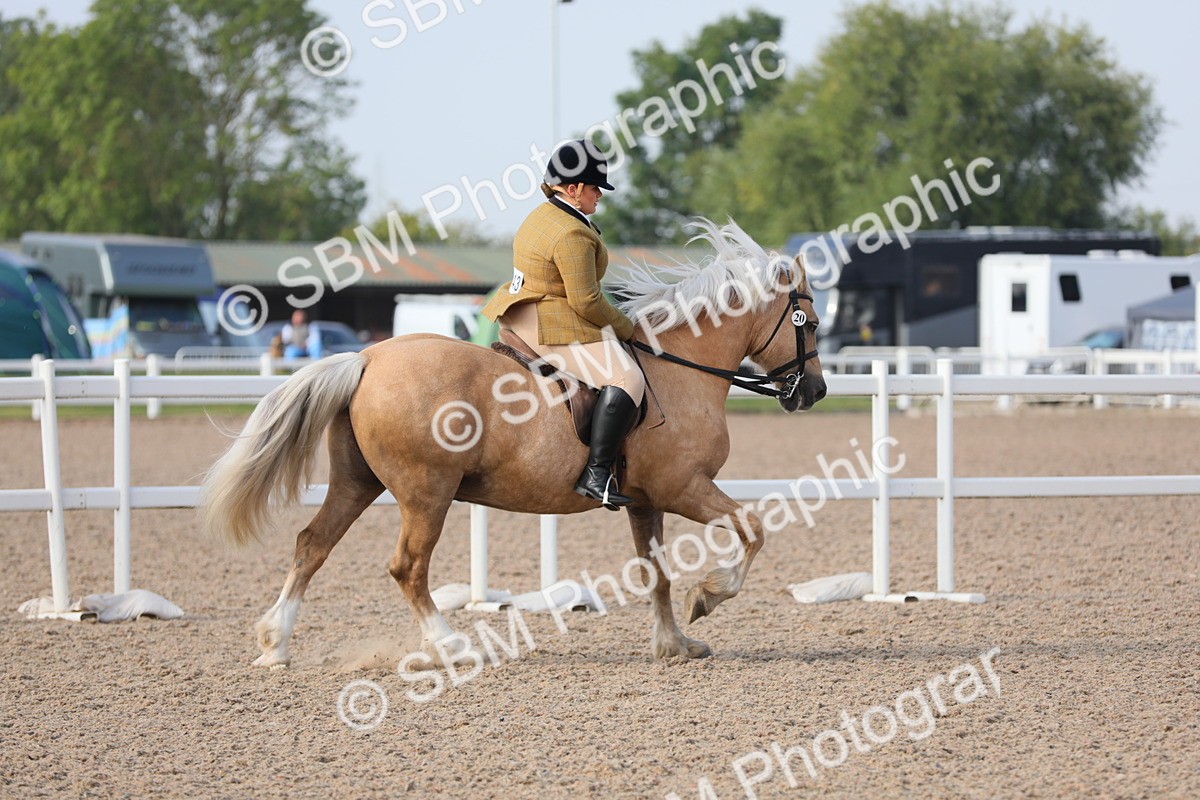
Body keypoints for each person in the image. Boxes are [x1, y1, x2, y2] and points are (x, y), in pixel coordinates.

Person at [481, 139, 645, 510]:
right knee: (628, 378)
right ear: (572, 189)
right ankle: (597, 474)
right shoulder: (573, 233)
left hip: (520, 313)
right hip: (549, 325)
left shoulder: (542, 216)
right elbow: (586, 300)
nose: (598, 195)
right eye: (593, 188)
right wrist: (625, 327)